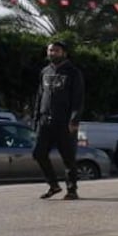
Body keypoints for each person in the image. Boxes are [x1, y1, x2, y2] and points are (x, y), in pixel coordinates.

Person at [33, 41, 84, 200]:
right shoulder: (44, 71)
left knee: (68, 157)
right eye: (50, 50)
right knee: (38, 154)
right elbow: (40, 96)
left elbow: (78, 99)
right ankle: (53, 185)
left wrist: (74, 120)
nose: (52, 53)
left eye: (56, 50)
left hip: (64, 122)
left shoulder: (73, 73)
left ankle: (72, 189)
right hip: (45, 121)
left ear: (64, 53)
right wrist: (36, 119)